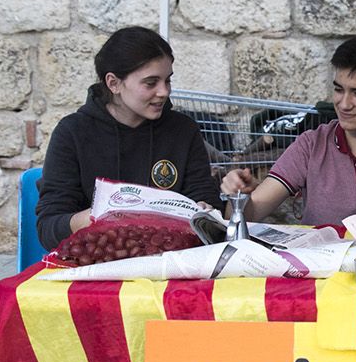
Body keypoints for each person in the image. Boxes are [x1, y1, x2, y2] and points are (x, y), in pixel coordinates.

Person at [36, 26, 220, 250]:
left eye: (167, 81)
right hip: (94, 266)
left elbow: (206, 203)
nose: (164, 92)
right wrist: (103, 217)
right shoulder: (72, 133)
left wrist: (203, 213)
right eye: (151, 83)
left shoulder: (183, 131)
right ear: (113, 83)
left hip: (170, 263)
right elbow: (48, 228)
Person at [220, 33, 356, 227]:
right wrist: (238, 197)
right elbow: (248, 215)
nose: (344, 104)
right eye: (339, 90)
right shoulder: (312, 144)